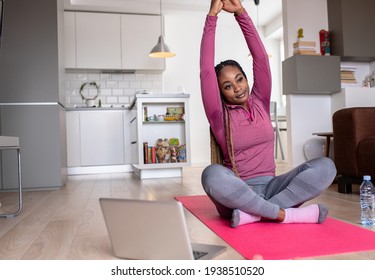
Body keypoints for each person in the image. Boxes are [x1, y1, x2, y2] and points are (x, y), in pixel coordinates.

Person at [200, 0, 337, 228]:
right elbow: (205, 70)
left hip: (273, 187)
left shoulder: (260, 101)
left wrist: (241, 13)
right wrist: (212, 16)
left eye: (239, 79)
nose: (237, 88)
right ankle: (285, 215)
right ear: (220, 92)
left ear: (246, 78)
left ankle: (255, 214)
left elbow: (260, 58)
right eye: (227, 86)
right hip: (238, 191)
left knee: (326, 167)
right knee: (211, 175)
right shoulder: (218, 116)